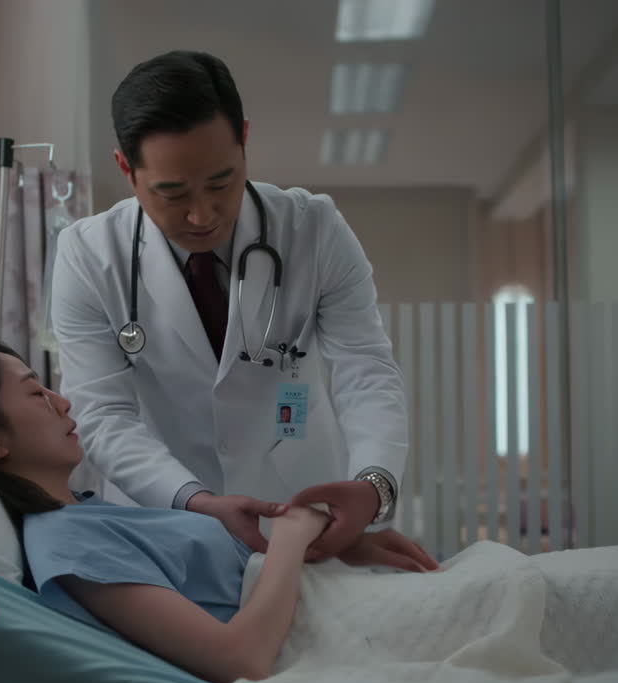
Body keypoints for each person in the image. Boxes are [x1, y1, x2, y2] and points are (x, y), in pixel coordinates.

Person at [51, 50, 422, 563]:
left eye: (221, 182)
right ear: (126, 170)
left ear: (244, 140)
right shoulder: (88, 255)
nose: (202, 214)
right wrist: (196, 500)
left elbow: (366, 372)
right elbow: (102, 414)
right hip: (166, 515)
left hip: (302, 506)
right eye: (172, 193)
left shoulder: (314, 230)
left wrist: (374, 483)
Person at [0, 341, 437, 683]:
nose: (65, 402)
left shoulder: (87, 515)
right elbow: (240, 659)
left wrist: (338, 547)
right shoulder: (65, 542)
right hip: (325, 642)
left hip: (344, 605)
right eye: (37, 394)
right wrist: (295, 532)